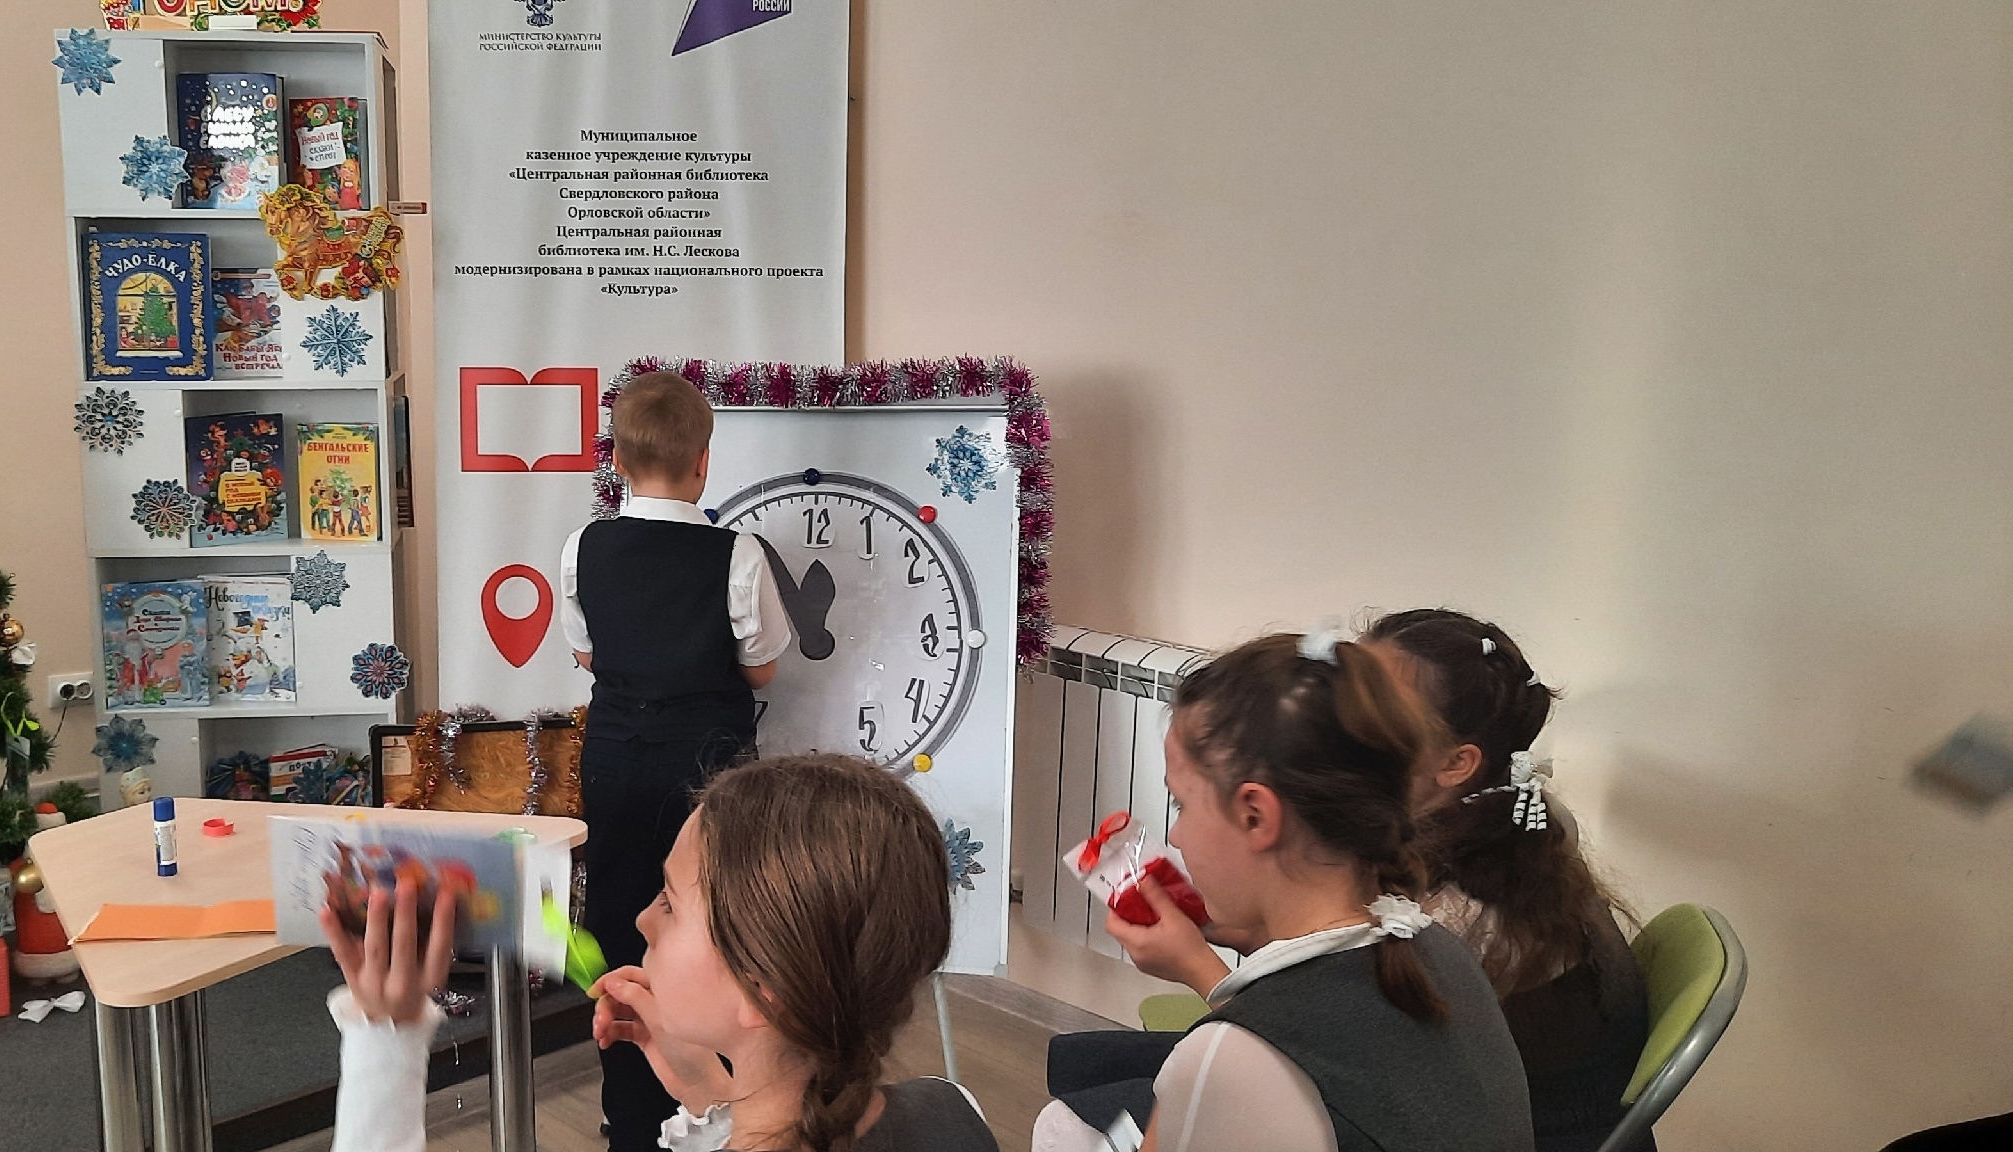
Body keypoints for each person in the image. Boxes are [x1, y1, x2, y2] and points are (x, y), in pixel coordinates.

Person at [321, 755, 1000, 1152]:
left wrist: (388, 1037)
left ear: (763, 988)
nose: (643, 918)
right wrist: (713, 1093)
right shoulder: (952, 1113)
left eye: (671, 903)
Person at [1033, 631, 1532, 1152]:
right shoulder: (1441, 952)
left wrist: (1204, 973)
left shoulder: (1227, 1059)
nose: (1176, 836)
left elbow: (1281, 1049)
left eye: (1182, 805)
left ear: (1256, 815)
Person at [559, 369, 794, 1150]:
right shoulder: (738, 554)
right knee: (719, 922)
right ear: (703, 461)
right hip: (709, 765)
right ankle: (724, 1110)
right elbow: (762, 669)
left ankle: (630, 1118)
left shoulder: (583, 546)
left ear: (617, 462)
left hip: (617, 758)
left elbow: (588, 655)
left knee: (623, 922)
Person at [1361, 608, 1651, 1152]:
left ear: (1456, 764)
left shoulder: (1456, 909)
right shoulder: (1506, 827)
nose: (1335, 724)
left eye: (1372, 715)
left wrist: (1200, 965)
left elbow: (1318, 1063)